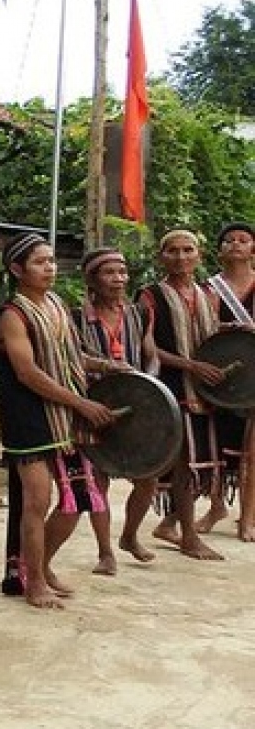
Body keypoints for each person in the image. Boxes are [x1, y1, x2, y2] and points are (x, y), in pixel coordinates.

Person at [0, 234, 122, 609]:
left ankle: (41, 567)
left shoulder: (56, 304)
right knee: (37, 501)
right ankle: (33, 583)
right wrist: (81, 403)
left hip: (65, 415)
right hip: (30, 418)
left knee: (78, 499)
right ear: (17, 269)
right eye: (39, 262)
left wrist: (108, 365)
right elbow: (28, 372)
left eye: (51, 261)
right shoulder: (11, 315)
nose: (49, 267)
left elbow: (72, 355)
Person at [134, 229, 227, 561]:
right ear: (162, 257)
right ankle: (188, 536)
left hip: (204, 390)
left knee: (193, 462)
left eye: (188, 250)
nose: (181, 256)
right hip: (170, 387)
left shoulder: (208, 295)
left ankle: (164, 527)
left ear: (199, 256)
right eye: (172, 250)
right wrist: (190, 365)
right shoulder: (149, 296)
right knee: (184, 462)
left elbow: (216, 339)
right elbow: (147, 346)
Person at [75, 247, 160, 572]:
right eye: (109, 273)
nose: (118, 279)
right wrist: (108, 366)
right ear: (92, 279)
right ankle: (105, 551)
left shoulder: (138, 313)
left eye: (122, 272)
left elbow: (151, 353)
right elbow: (72, 358)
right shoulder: (76, 316)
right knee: (98, 480)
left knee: (148, 476)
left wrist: (148, 380)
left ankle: (129, 536)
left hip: (138, 405)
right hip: (96, 404)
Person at [205, 220, 255, 542]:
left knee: (254, 447)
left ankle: (247, 517)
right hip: (221, 372)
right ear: (220, 250)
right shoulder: (209, 288)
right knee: (216, 440)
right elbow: (203, 328)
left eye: (243, 240)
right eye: (229, 241)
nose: (235, 245)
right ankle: (216, 506)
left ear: (253, 249)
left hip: (254, 372)